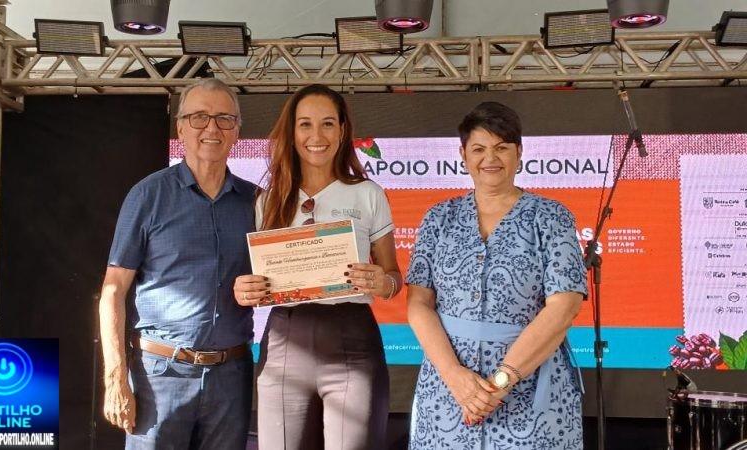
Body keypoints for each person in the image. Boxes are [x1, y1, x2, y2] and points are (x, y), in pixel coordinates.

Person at [406, 101, 588, 449]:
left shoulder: (551, 217)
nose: (490, 158)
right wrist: (456, 378)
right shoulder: (438, 218)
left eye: (502, 147)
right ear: (463, 155)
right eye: (479, 149)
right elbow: (418, 304)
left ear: (519, 152)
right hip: (448, 390)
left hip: (531, 392)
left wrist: (501, 382)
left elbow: (564, 307)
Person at [233, 83, 402, 450]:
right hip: (285, 343)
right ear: (291, 132)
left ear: (342, 130)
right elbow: (254, 280)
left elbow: (393, 276)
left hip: (352, 343)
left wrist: (383, 283)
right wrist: (245, 290)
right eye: (305, 124)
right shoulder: (267, 200)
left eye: (327, 124)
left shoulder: (367, 193)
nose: (316, 136)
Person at [98, 78, 257, 450]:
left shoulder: (255, 202)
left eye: (224, 119)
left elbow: (278, 280)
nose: (212, 128)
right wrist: (115, 378)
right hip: (159, 376)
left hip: (231, 378)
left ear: (237, 131)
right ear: (181, 128)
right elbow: (113, 291)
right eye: (199, 117)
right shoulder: (147, 195)